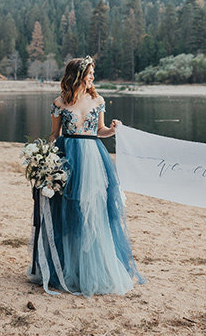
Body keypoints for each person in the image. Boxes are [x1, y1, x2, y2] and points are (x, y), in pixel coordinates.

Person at [28, 55, 143, 297]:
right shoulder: (59, 103)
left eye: (93, 72)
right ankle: (67, 268)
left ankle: (93, 269)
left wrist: (112, 130)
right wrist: (46, 162)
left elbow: (99, 130)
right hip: (67, 157)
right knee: (67, 212)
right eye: (89, 73)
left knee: (94, 210)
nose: (92, 77)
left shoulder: (97, 100)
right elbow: (54, 134)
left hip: (93, 157)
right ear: (77, 76)